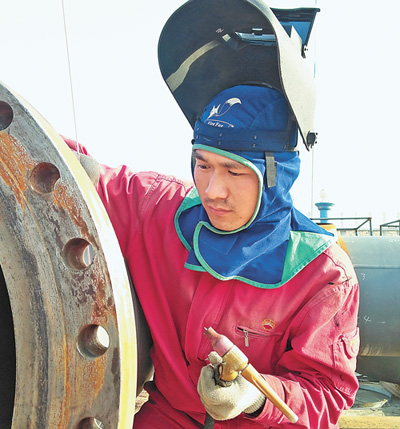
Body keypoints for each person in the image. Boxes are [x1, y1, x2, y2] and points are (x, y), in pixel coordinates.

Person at [65, 3, 360, 428]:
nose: (212, 191)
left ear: (277, 174)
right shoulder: (158, 210)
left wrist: (256, 397)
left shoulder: (323, 276)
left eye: (235, 171)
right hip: (168, 416)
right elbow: (68, 169)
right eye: (203, 164)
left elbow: (326, 394)